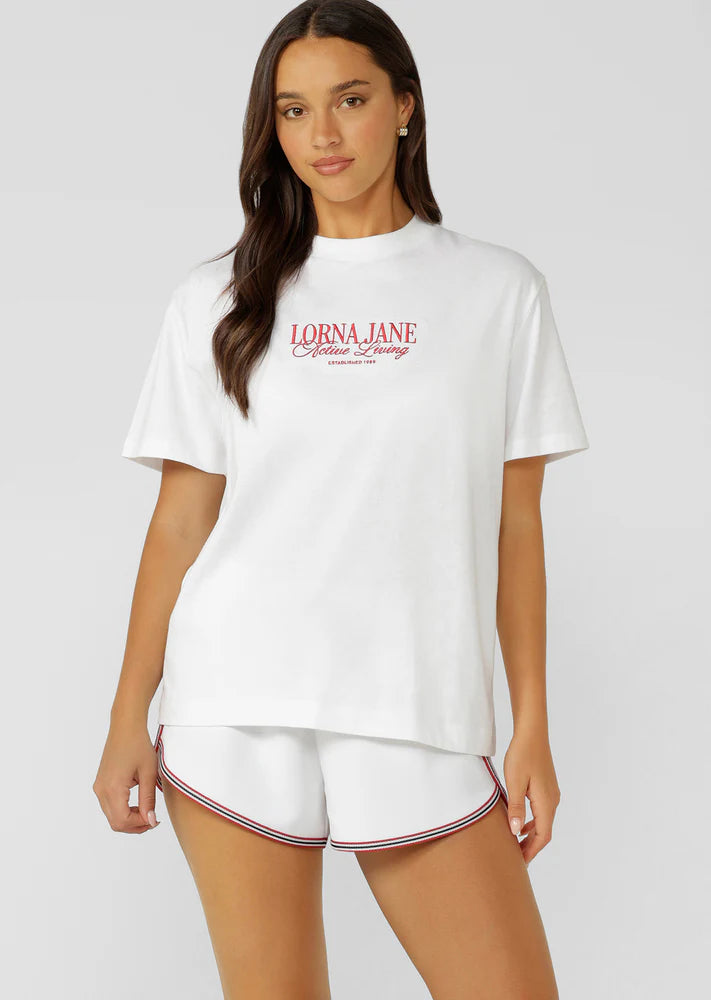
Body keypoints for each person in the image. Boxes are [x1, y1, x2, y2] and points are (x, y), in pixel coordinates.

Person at [93, 1, 590, 997]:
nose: (322, 133)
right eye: (293, 110)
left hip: (414, 703)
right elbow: (181, 520)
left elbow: (516, 523)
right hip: (233, 703)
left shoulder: (498, 291)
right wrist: (124, 716)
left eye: (350, 100)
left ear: (405, 106)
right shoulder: (217, 299)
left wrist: (531, 721)